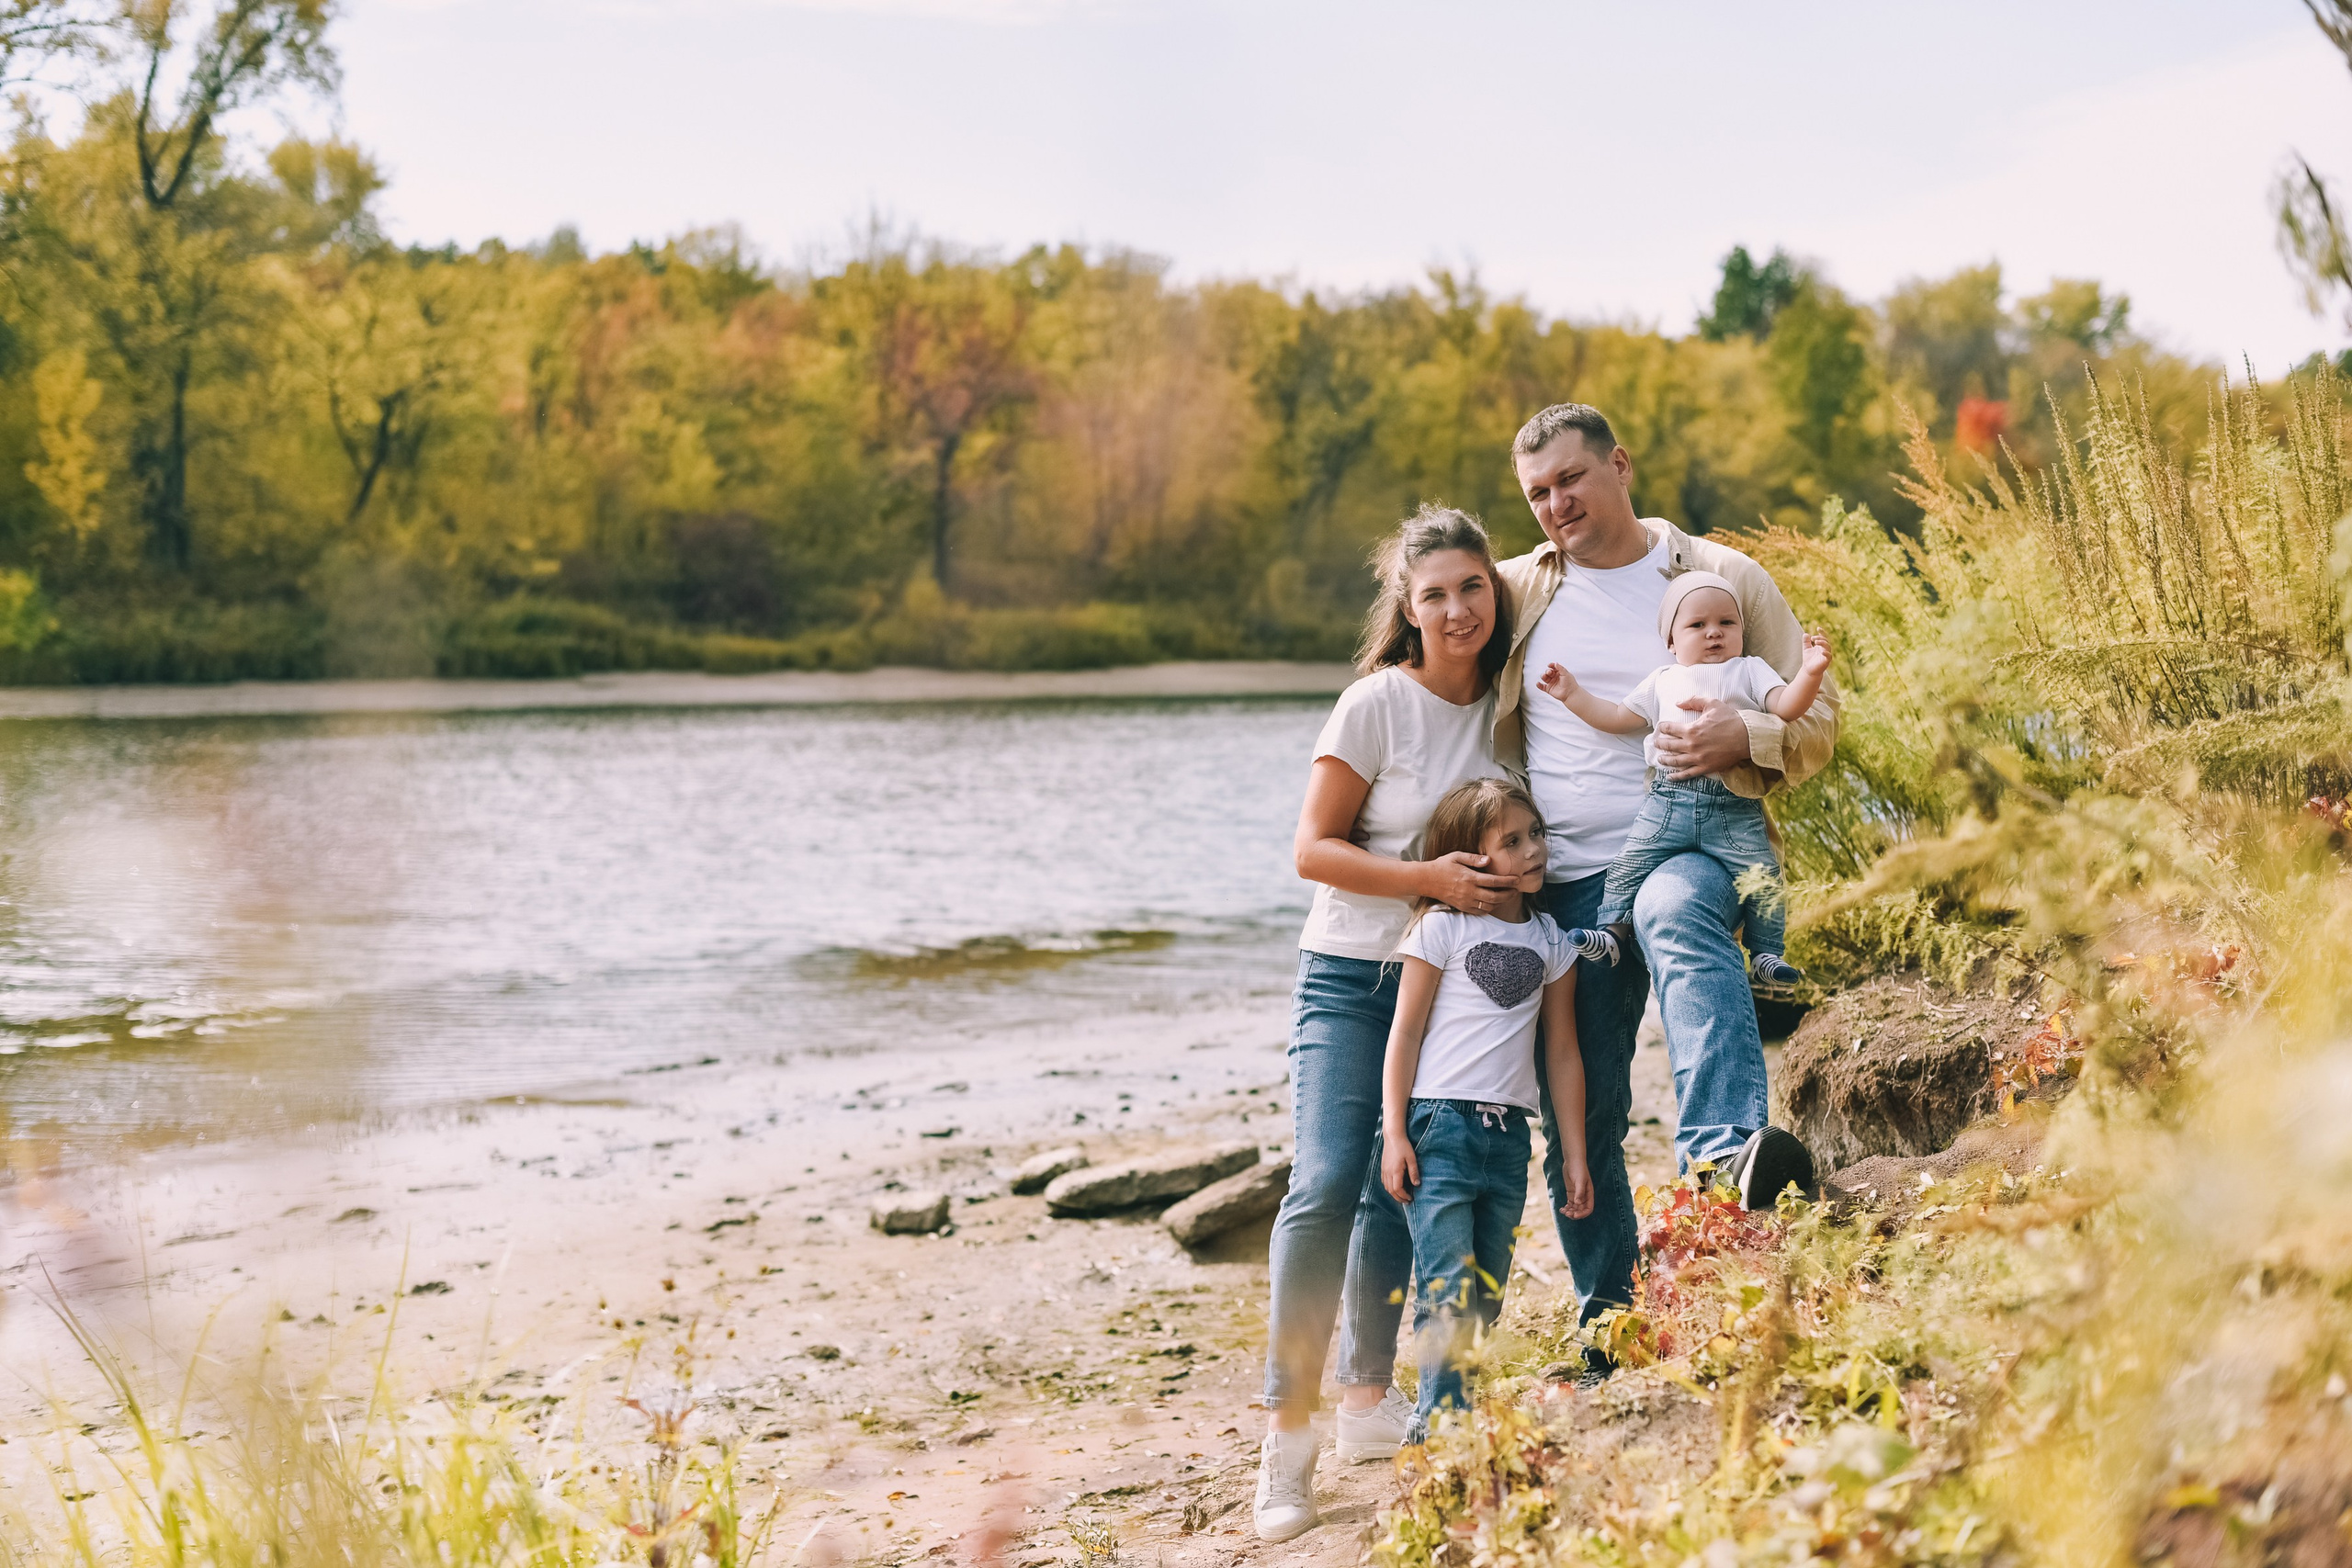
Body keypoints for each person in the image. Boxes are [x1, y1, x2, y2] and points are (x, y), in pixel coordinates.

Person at [1492, 403, 1838, 1338]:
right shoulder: (1515, 591)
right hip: (1563, 882)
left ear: (1620, 466)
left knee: (1683, 919)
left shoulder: (1724, 578)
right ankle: (1610, 1318)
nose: (1555, 503)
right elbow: (1431, 666)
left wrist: (1747, 732)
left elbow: (1819, 725)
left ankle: (1726, 1161)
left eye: (1570, 479)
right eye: (1536, 492)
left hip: (1689, 844)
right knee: (1584, 1107)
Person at [1254, 503, 1517, 1544]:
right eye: (1434, 594)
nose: (1456, 610)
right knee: (1323, 1180)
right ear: (1407, 611)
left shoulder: (1510, 709)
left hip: (1450, 987)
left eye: (1472, 588)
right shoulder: (1375, 705)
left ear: (1497, 594)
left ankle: (1367, 1402)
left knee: (1393, 1184)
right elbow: (1312, 850)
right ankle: (1288, 1434)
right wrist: (1425, 880)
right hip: (1350, 974)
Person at [1376, 777, 1592, 1443]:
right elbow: (1404, 1033)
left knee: (1486, 1291)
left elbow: (1562, 1051)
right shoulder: (1443, 926)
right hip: (1439, 1127)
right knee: (1447, 1288)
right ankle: (1442, 1429)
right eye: (1511, 841)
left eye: (1536, 834)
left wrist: (1575, 1152)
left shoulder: (1553, 940)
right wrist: (1394, 1132)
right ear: (1473, 857)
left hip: (1508, 1141)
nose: (1533, 851)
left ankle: (1445, 1411)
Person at [1537, 571, 1834, 987]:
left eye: (1727, 623)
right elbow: (1617, 718)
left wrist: (1811, 673)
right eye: (1698, 625)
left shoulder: (1749, 670)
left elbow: (1786, 707)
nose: (1714, 633)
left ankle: (1767, 953)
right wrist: (1572, 695)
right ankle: (1611, 934)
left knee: (1762, 873)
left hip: (1731, 802)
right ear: (1672, 641)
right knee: (1629, 863)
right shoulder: (1662, 680)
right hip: (1668, 801)